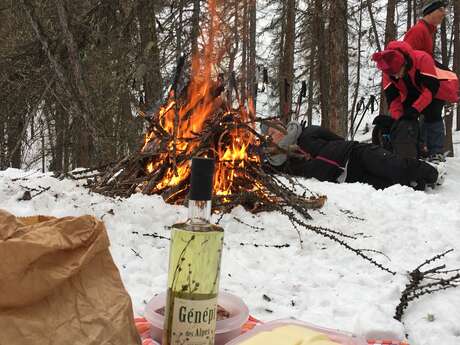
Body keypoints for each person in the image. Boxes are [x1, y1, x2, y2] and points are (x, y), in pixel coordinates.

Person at [262, 120, 443, 191]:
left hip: (356, 154)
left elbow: (339, 140)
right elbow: (267, 167)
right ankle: (421, 184)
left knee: (396, 167)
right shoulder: (282, 160)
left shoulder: (308, 132)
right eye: (270, 134)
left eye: (275, 129)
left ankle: (433, 173)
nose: (274, 135)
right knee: (391, 186)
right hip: (348, 176)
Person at [372, 40, 458, 160]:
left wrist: (415, 109)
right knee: (406, 117)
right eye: (393, 75)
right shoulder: (389, 71)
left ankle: (436, 152)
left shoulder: (422, 59)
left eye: (397, 73)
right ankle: (418, 148)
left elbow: (430, 90)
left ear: (404, 64)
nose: (395, 77)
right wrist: (399, 120)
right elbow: (393, 100)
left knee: (432, 112)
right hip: (414, 89)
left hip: (439, 86)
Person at [403, 0, 448, 160]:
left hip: (424, 81)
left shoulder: (428, 31)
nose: (444, 13)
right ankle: (433, 151)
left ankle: (427, 150)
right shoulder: (418, 30)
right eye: (441, 10)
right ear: (430, 12)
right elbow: (406, 57)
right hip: (418, 83)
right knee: (433, 112)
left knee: (432, 112)